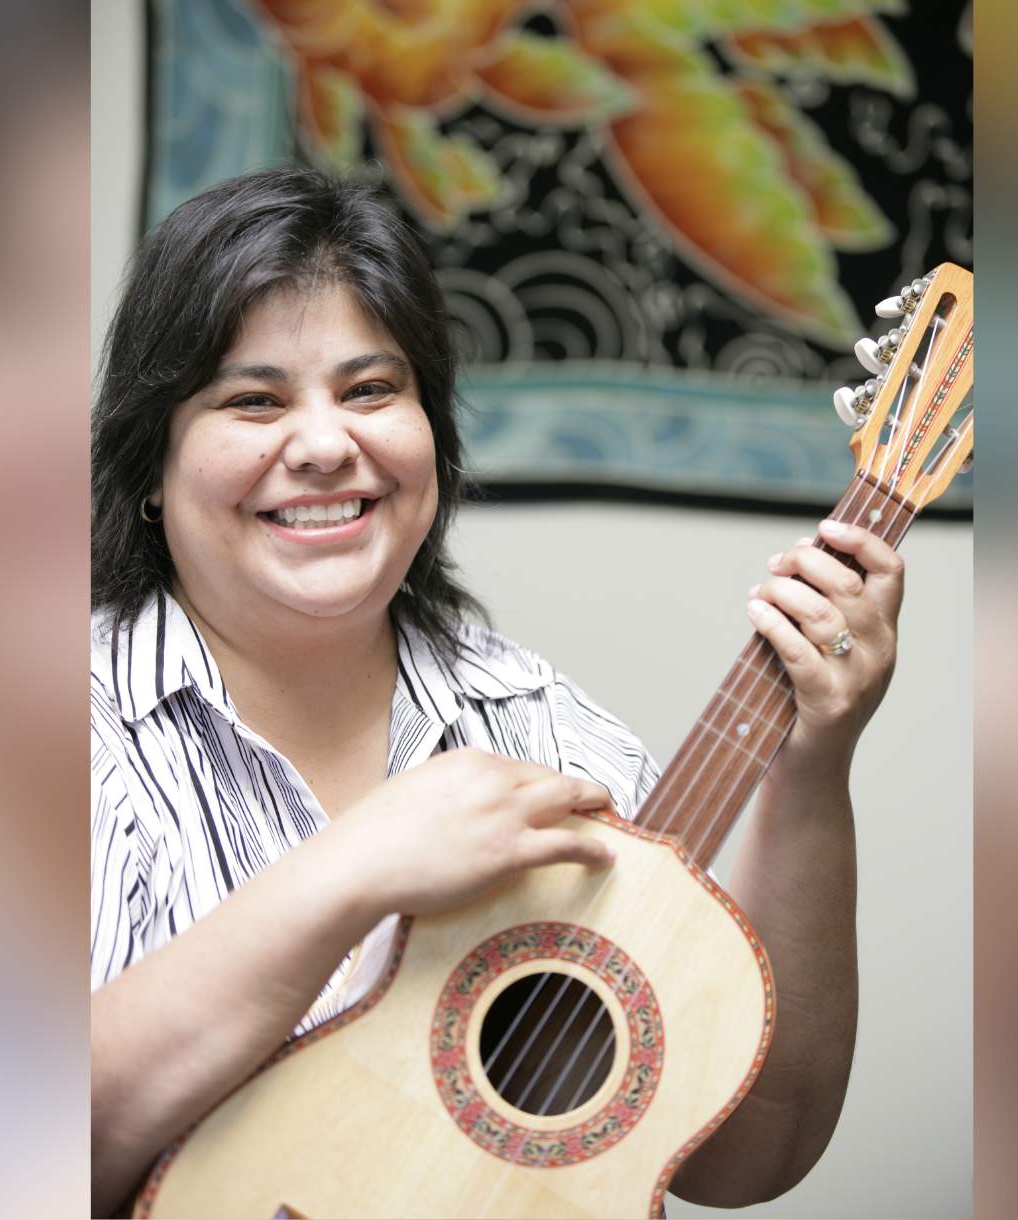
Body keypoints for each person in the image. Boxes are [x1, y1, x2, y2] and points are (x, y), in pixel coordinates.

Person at [89, 165, 905, 1216]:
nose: (328, 444)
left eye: (373, 389)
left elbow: (749, 1151)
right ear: (150, 462)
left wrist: (815, 761)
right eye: (254, 399)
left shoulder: (546, 738)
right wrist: (350, 868)